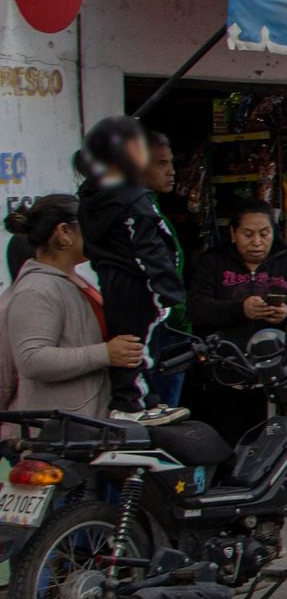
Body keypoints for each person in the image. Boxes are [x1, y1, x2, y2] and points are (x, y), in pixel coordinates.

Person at [75, 115, 186, 424]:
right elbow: (147, 247)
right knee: (137, 346)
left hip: (115, 282)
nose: (170, 171)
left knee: (134, 345)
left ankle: (141, 399)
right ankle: (131, 404)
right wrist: (167, 291)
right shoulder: (132, 201)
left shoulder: (94, 198)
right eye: (160, 162)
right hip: (137, 286)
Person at [186, 200, 287, 444]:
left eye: (264, 233)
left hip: (277, 376)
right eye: (248, 234)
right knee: (229, 445)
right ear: (233, 234)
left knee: (275, 445)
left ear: (273, 233)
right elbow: (196, 309)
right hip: (225, 375)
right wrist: (240, 309)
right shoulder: (213, 263)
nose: (256, 242)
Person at [0, 194, 141, 421]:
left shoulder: (71, 281)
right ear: (64, 232)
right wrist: (105, 353)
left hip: (86, 423)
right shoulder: (36, 289)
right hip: (62, 435)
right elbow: (32, 360)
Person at [143, 130, 189, 409]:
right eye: (161, 164)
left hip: (168, 326)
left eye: (170, 163)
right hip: (160, 327)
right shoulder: (140, 216)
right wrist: (179, 313)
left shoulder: (151, 211)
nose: (171, 171)